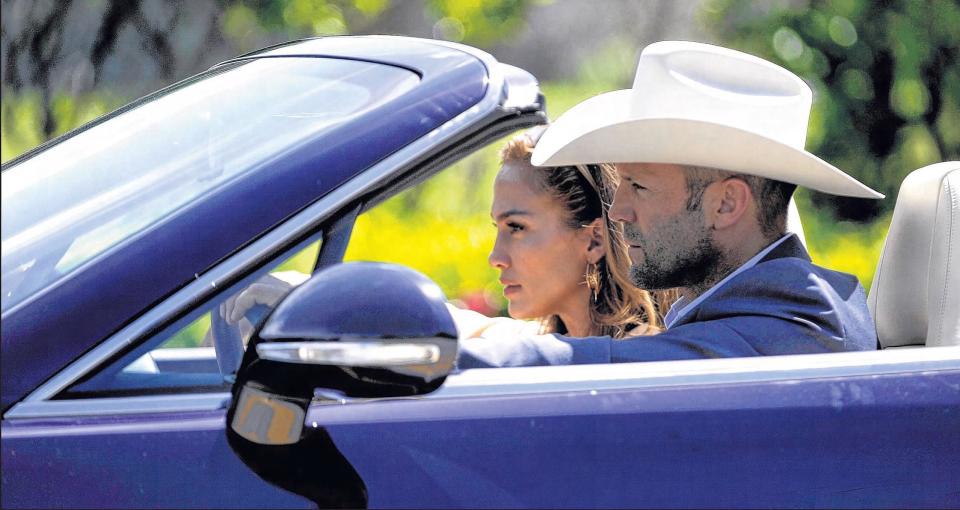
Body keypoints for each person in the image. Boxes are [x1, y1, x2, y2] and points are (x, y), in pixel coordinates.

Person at [457, 41, 880, 369]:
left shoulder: (787, 330)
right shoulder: (767, 306)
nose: (617, 212)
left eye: (639, 186)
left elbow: (598, 368)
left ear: (726, 203)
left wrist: (427, 356)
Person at [450, 129, 676, 341]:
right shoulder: (543, 341)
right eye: (498, 228)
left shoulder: (644, 361)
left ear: (594, 240)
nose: (495, 258)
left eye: (516, 227)